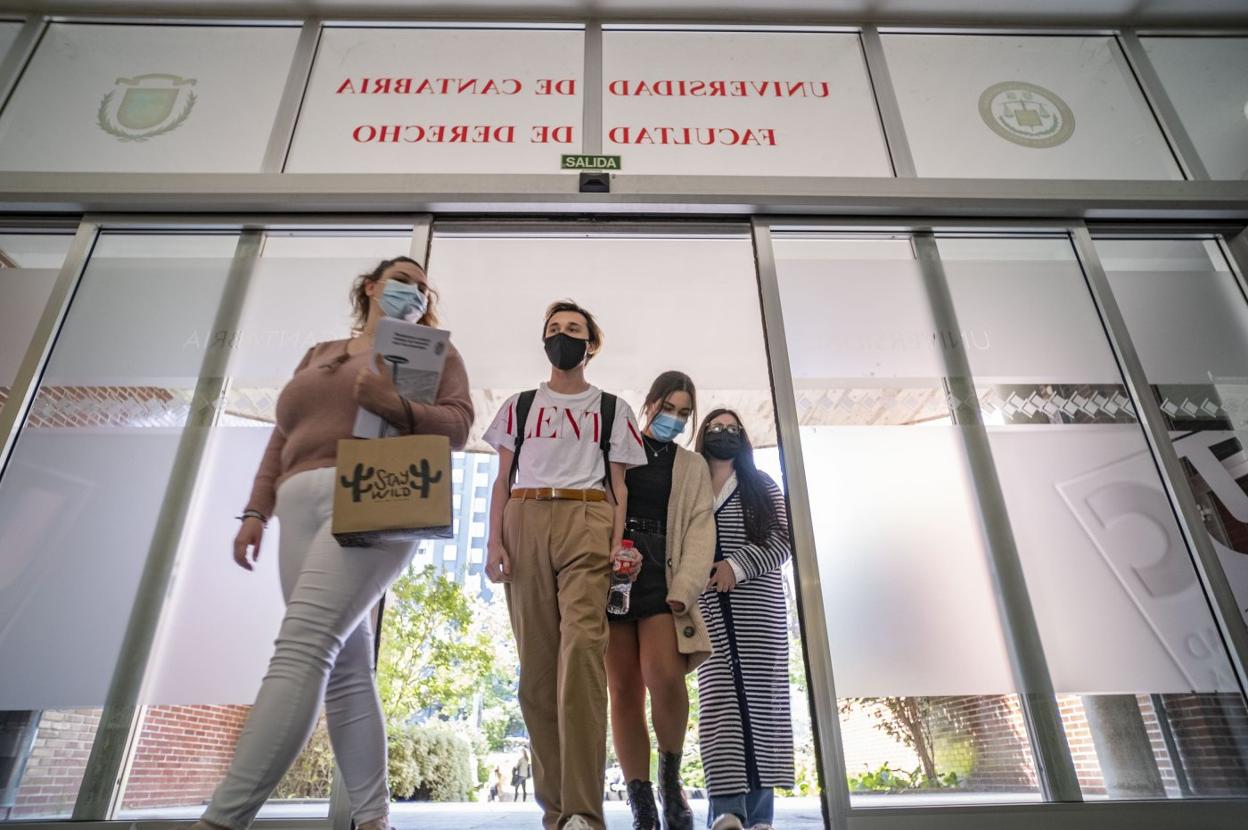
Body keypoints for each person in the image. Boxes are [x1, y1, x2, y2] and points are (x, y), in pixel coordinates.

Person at [190, 256, 473, 830]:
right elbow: (281, 437)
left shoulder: (430, 352)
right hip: (297, 502)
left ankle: (222, 819)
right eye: (401, 280)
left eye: (422, 287)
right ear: (370, 288)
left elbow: (459, 426)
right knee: (345, 667)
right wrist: (255, 509)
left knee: (302, 645)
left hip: (376, 493)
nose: (413, 292)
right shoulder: (318, 353)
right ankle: (372, 818)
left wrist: (395, 404)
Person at [483, 300, 648, 830]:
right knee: (537, 671)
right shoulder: (520, 405)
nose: (562, 336)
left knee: (581, 656)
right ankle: (555, 811)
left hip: (587, 518)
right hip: (524, 516)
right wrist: (493, 543)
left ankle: (583, 811)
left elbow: (620, 484)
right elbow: (501, 479)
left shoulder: (613, 409)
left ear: (590, 343)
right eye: (554, 329)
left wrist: (620, 541)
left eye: (573, 329)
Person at [605, 371, 715, 830]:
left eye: (684, 413)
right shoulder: (614, 450)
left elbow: (699, 529)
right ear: (648, 404)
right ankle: (641, 801)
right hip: (613, 570)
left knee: (665, 678)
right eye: (668, 407)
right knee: (623, 689)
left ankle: (671, 782)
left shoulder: (692, 466)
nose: (675, 418)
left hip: (662, 575)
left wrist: (685, 588)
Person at [694, 410, 794, 830]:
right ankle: (727, 811)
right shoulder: (689, 488)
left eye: (733, 429)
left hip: (760, 615)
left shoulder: (762, 485)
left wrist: (736, 565)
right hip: (708, 614)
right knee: (719, 707)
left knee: (762, 706)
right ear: (703, 437)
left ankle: (761, 816)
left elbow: (783, 541)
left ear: (744, 438)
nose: (725, 434)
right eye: (716, 428)